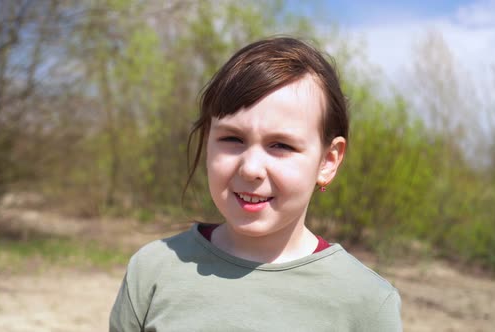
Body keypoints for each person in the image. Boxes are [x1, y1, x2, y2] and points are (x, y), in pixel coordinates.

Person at [109, 37, 402, 331]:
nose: (250, 169)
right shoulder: (151, 270)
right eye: (232, 139)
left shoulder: (367, 304)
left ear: (328, 161)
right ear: (207, 142)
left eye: (281, 145)